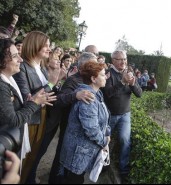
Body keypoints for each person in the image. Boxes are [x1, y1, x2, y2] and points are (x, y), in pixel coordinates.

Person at [13, 31, 60, 183]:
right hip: (29, 121)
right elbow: (28, 98)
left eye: (49, 45)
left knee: (32, 160)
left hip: (42, 118)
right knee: (23, 160)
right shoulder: (22, 68)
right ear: (35, 46)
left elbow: (48, 94)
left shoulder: (43, 68)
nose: (49, 49)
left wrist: (56, 85)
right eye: (45, 45)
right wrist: (51, 83)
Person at [48, 52, 97, 184]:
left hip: (79, 131)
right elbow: (58, 100)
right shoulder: (73, 80)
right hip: (69, 128)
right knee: (61, 159)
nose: (97, 67)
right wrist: (76, 95)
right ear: (82, 67)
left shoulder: (91, 80)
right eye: (93, 65)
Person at [60, 61, 110, 184]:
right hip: (78, 152)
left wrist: (107, 133)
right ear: (93, 79)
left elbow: (104, 117)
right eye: (103, 75)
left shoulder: (97, 93)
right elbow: (91, 128)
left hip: (83, 150)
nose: (106, 77)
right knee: (74, 180)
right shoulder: (89, 97)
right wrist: (104, 141)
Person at [102, 50, 142, 182]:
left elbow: (139, 94)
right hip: (109, 115)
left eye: (124, 59)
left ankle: (123, 170)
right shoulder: (108, 73)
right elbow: (108, 93)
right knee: (103, 141)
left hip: (125, 115)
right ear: (113, 60)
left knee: (125, 140)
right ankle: (101, 165)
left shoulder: (129, 74)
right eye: (119, 59)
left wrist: (132, 84)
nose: (123, 62)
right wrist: (122, 82)